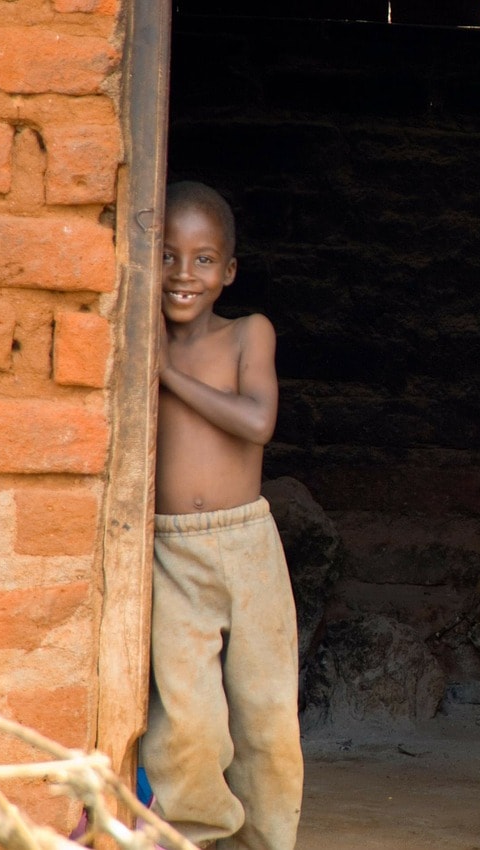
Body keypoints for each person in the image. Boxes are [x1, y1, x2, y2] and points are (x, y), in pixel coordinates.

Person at [139, 181, 303, 850]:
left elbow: (258, 421)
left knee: (266, 717)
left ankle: (269, 841)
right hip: (169, 548)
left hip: (247, 543)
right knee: (187, 721)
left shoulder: (247, 333)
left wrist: (166, 374)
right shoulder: (133, 336)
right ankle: (194, 835)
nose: (184, 274)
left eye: (204, 259)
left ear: (229, 271)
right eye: (168, 256)